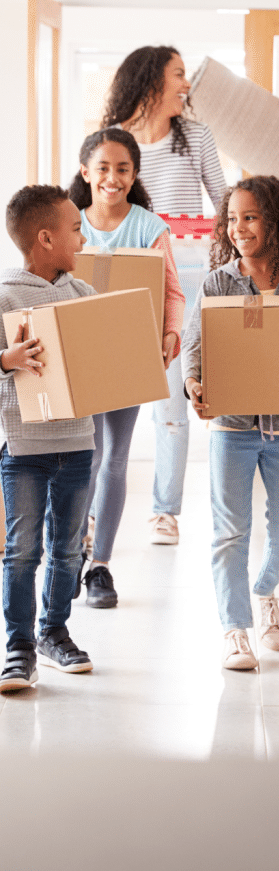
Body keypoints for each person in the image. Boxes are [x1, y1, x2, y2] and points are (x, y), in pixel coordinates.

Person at [182, 176, 279, 671]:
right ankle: (235, 630)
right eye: (232, 219)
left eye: (250, 217)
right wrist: (193, 383)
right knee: (230, 533)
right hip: (231, 426)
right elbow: (195, 344)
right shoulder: (217, 284)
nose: (238, 228)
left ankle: (265, 591)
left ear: (276, 222)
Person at [102, 45, 228, 547]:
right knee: (106, 398)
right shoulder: (114, 142)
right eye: (178, 73)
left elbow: (226, 206)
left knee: (173, 402)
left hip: (187, 280)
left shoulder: (195, 137)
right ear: (152, 80)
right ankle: (92, 512)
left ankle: (164, 512)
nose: (186, 83)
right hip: (126, 278)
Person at [69, 128, 184, 609]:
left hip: (130, 356)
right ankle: (71, 555)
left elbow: (172, 292)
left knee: (115, 457)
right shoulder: (69, 221)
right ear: (86, 172)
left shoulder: (149, 228)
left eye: (123, 169)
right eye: (103, 168)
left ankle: (100, 565)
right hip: (79, 356)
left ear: (134, 175)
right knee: (85, 458)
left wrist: (171, 335)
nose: (112, 178)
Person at [0, 185, 95, 692]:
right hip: (25, 450)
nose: (83, 239)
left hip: (78, 443)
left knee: (68, 548)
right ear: (45, 239)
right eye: (76, 229)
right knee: (22, 551)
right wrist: (6, 360)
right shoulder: (6, 297)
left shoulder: (83, 296)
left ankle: (53, 633)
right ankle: (18, 646)